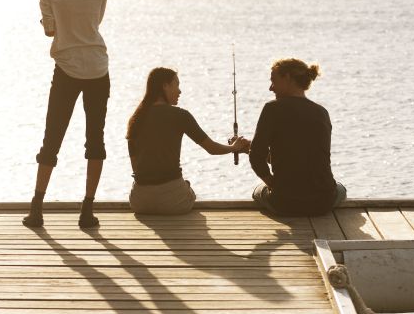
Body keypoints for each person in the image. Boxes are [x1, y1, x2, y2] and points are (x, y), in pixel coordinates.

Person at [23, 0, 110, 229]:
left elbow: (50, 31)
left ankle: (36, 209)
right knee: (95, 139)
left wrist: (54, 19)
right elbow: (94, 22)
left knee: (52, 138)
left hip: (67, 69)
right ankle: (87, 211)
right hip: (98, 68)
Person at [126, 67, 250, 214]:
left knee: (181, 186)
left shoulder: (135, 119)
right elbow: (211, 148)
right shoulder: (181, 116)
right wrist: (234, 147)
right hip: (173, 202)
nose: (180, 91)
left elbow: (135, 167)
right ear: (165, 86)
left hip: (140, 202)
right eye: (176, 85)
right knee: (188, 189)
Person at [249, 58, 346, 216]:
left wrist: (272, 184)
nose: (270, 88)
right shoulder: (321, 112)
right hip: (323, 202)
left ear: (287, 78)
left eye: (273, 81)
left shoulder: (271, 109)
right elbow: (306, 157)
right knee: (341, 188)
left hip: (285, 204)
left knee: (257, 191)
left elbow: (256, 157)